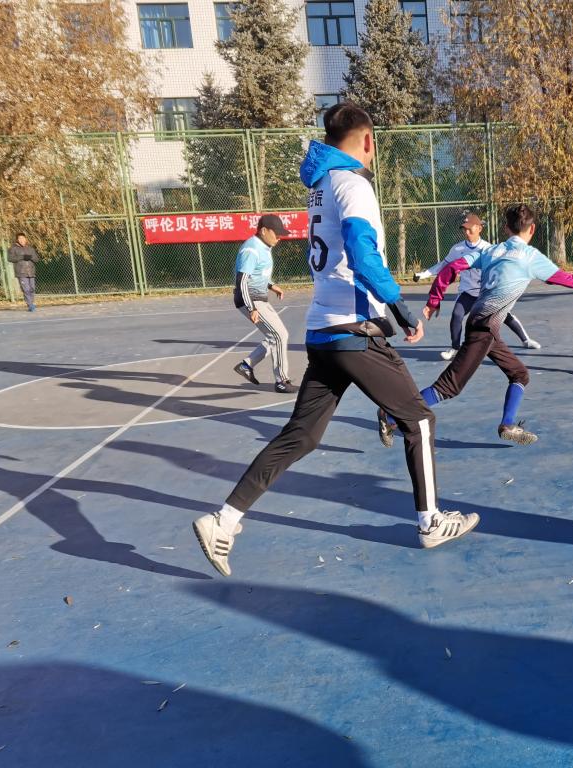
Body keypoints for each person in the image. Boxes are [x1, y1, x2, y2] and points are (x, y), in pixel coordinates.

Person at [194, 102, 478, 578]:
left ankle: (222, 520)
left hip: (322, 331)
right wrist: (401, 309)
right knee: (419, 420)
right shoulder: (354, 185)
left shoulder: (321, 186)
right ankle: (430, 521)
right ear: (367, 141)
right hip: (354, 330)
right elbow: (363, 256)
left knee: (302, 434)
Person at [379, 204, 573, 448]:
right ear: (532, 229)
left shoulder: (491, 251)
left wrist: (434, 300)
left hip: (485, 327)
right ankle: (390, 418)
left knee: (519, 374)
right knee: (448, 388)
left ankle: (508, 425)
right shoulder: (531, 257)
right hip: (484, 330)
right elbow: (569, 279)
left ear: (506, 228)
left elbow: (451, 268)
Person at [413, 212, 540, 360]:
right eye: (464, 229)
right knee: (457, 315)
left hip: (486, 292)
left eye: (470, 228)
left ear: (479, 228)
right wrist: (424, 274)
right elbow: (444, 265)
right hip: (467, 292)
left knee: (505, 315)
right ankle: (455, 348)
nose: (467, 232)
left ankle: (525, 340)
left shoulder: (488, 248)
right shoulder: (457, 249)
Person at [231, 214, 296, 394]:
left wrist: (271, 285)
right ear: (264, 231)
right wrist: (251, 308)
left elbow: (258, 274)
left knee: (278, 335)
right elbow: (242, 281)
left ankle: (246, 365)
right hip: (251, 299)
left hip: (259, 298)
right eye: (277, 233)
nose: (279, 237)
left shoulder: (264, 247)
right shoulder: (251, 249)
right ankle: (282, 381)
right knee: (279, 335)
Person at [7, 233, 39, 312]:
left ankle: (32, 302)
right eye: (20, 238)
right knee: (26, 289)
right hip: (21, 272)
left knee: (32, 288)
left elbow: (36, 259)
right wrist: (22, 257)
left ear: (25, 239)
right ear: (17, 240)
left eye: (23, 238)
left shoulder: (30, 249)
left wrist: (31, 257)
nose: (22, 240)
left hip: (31, 271)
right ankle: (30, 305)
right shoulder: (13, 248)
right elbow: (10, 258)